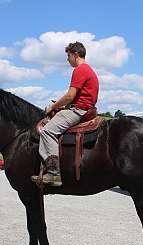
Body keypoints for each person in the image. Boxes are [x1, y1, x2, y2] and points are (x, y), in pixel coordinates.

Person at [32, 41, 99, 186]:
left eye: (68, 56)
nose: (68, 59)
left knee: (48, 131)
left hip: (78, 110)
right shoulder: (89, 70)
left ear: (75, 55)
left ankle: (53, 173)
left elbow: (70, 95)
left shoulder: (80, 70)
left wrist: (52, 107)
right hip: (82, 108)